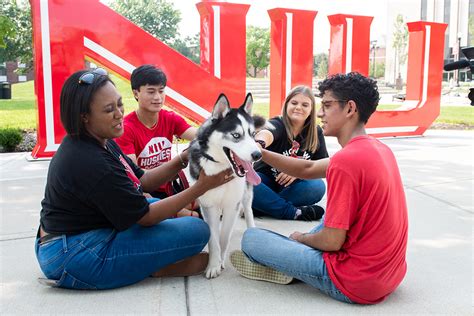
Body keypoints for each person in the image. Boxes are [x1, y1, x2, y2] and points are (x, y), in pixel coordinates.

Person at [35, 68, 234, 290]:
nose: (119, 113)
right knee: (197, 231)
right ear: (85, 117)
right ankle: (148, 266)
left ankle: (143, 259)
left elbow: (143, 180)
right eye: (109, 110)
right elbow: (146, 218)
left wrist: (183, 158)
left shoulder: (101, 140)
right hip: (71, 255)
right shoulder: (91, 162)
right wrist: (202, 186)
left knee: (157, 205)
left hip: (83, 233)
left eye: (119, 104)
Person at [231, 72, 408, 305]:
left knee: (252, 239)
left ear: (350, 108)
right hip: (390, 274)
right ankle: (291, 257)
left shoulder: (346, 162)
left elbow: (332, 242)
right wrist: (258, 152)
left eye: (326, 105)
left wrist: (301, 238)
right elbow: (307, 168)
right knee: (325, 223)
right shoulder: (378, 148)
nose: (321, 113)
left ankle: (292, 262)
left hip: (354, 281)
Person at [115, 65, 198, 217]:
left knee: (208, 198)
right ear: (136, 93)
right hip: (144, 194)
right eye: (151, 91)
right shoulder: (126, 129)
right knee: (194, 219)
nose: (158, 97)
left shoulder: (170, 118)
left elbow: (201, 135)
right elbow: (135, 179)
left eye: (161, 90)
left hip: (169, 189)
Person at [252, 85, 328, 221]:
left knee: (317, 186)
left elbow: (322, 165)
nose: (298, 107)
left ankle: (261, 205)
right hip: (265, 181)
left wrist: (297, 172)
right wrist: (259, 144)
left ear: (311, 110)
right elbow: (266, 133)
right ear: (286, 105)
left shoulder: (316, 132)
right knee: (247, 182)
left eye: (305, 105)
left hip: (293, 188)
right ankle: (291, 212)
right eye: (294, 103)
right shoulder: (277, 123)